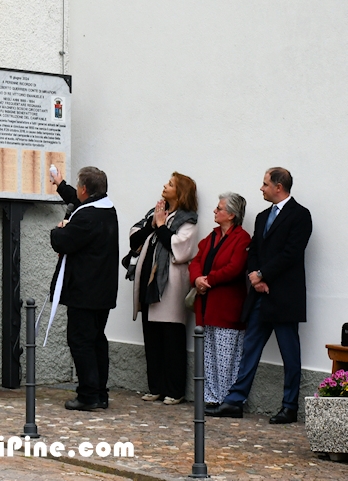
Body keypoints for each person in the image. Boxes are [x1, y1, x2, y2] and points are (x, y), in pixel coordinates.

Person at [208, 168, 312, 423]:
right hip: (259, 295)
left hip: (284, 296)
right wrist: (255, 276)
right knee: (250, 348)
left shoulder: (300, 215)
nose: (261, 188)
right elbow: (253, 248)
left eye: (265, 184)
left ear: (279, 186)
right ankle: (235, 401)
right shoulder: (263, 216)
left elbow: (291, 253)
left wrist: (263, 274)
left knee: (290, 353)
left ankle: (289, 406)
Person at [49, 167, 119, 411]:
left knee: (81, 341)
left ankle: (88, 394)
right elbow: (78, 204)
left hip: (85, 291)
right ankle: (100, 393)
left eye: (78, 186)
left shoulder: (87, 217)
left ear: (85, 189)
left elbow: (63, 240)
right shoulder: (106, 209)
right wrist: (61, 185)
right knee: (97, 340)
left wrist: (59, 229)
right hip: (102, 290)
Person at [129, 172, 198, 405]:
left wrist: (160, 226)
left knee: (172, 340)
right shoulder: (156, 212)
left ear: (180, 193)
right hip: (149, 286)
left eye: (170, 184)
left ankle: (175, 390)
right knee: (152, 338)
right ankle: (155, 386)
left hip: (170, 287)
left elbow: (180, 249)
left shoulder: (188, 220)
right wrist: (154, 222)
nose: (164, 186)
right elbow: (135, 236)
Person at [189, 193, 251, 407]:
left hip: (227, 307)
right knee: (208, 355)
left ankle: (227, 400)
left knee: (226, 358)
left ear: (232, 214)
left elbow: (235, 267)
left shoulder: (242, 238)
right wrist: (197, 278)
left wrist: (209, 280)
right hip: (207, 305)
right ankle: (210, 398)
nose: (215, 211)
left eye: (220, 208)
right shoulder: (213, 236)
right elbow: (196, 260)